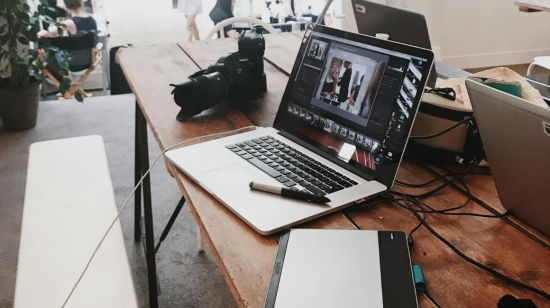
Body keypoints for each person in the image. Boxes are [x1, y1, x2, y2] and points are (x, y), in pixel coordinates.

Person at [38, 0, 97, 72]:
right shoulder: (91, 18)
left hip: (73, 64)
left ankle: (58, 80)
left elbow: (43, 33)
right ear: (82, 3)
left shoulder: (70, 23)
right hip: (89, 60)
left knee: (50, 53)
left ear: (65, 5)